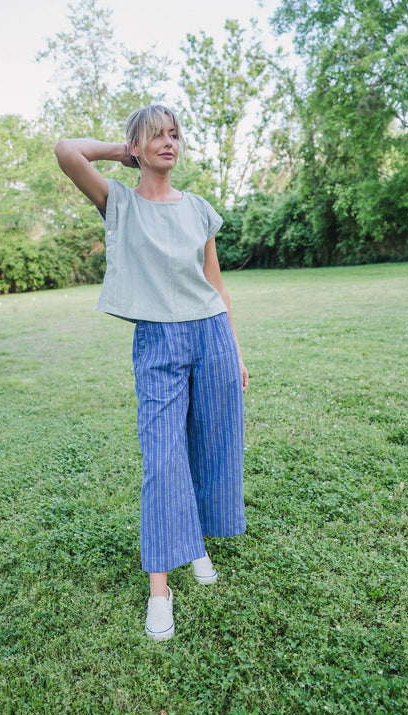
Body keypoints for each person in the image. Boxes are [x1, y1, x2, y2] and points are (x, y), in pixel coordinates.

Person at [54, 104, 248, 641]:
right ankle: (159, 590)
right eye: (156, 136)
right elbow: (67, 151)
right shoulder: (119, 203)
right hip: (158, 342)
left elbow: (217, 285)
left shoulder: (200, 209)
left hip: (210, 335)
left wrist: (235, 350)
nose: (170, 142)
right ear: (137, 147)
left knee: (210, 445)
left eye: (175, 134)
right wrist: (124, 150)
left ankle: (199, 545)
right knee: (162, 457)